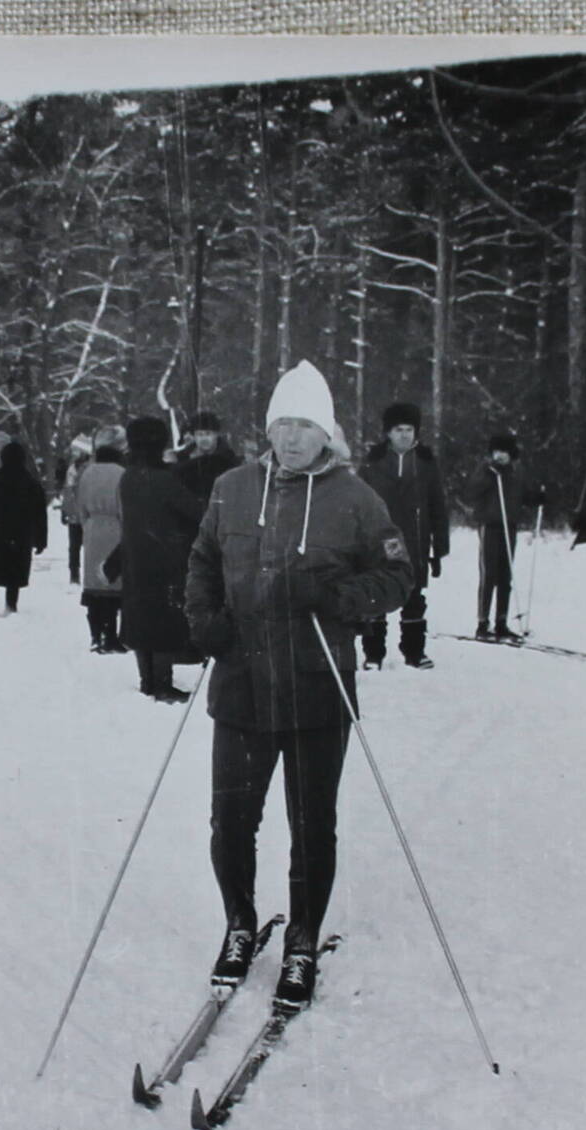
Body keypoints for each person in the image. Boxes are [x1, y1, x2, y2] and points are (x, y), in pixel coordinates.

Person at [186, 359, 413, 1011]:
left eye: (304, 426)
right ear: (268, 428)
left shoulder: (358, 499)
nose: (290, 438)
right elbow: (202, 561)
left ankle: (303, 940)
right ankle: (238, 925)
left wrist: (340, 594)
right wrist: (203, 619)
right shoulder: (231, 488)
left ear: (327, 433)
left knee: (312, 826)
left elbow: (400, 579)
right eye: (282, 424)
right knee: (230, 822)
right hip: (241, 688)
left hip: (317, 690)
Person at [111, 416, 204, 702]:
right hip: (165, 559)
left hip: (135, 558)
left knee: (141, 619)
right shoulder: (165, 479)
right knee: (164, 620)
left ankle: (147, 681)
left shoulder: (128, 477)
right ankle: (163, 684)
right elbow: (195, 512)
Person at [358, 402, 449, 669]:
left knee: (414, 598)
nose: (405, 435)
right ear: (388, 432)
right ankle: (373, 654)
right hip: (380, 543)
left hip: (415, 543)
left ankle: (414, 651)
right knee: (376, 597)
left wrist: (439, 549)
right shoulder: (372, 463)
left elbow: (438, 508)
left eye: (409, 429)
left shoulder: (425, 463)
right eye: (399, 429)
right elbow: (358, 505)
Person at [0, 440, 48, 618]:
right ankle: (11, 606)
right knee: (15, 572)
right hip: (20, 537)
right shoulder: (31, 485)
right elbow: (40, 515)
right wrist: (41, 539)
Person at [469, 433, 529, 642]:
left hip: (509, 526)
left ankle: (501, 622)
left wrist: (537, 496)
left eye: (504, 451)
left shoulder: (516, 471)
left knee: (506, 574)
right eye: (496, 451)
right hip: (490, 525)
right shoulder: (486, 469)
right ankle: (482, 623)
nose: (500, 456)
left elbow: (524, 494)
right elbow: (473, 490)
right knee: (489, 574)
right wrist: (490, 476)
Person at [75, 429, 126, 652]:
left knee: (94, 584)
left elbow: (80, 506)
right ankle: (112, 636)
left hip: (93, 529)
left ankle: (95, 634)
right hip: (117, 529)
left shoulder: (87, 472)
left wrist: (88, 524)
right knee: (114, 583)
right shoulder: (123, 473)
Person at [177, 411, 238, 507]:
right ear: (194, 436)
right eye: (200, 435)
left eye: (208, 434)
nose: (204, 439)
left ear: (216, 435)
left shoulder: (228, 460)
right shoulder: (183, 458)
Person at [61, 433, 93, 585]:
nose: (73, 453)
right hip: (83, 515)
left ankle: (78, 574)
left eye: (76, 450)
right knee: (80, 547)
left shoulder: (80, 469)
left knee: (77, 547)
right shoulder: (79, 469)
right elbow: (68, 491)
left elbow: (69, 491)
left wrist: (66, 510)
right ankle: (79, 574)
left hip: (81, 515)